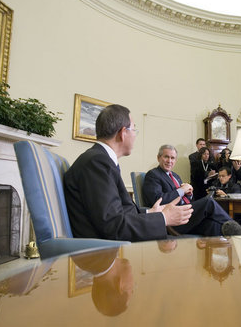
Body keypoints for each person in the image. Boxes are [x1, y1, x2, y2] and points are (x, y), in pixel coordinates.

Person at [64, 104, 193, 242]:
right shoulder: (97, 162)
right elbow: (112, 225)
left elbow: (117, 211)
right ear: (123, 133)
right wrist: (163, 218)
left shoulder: (100, 159)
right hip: (101, 253)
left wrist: (150, 212)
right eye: (134, 129)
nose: (135, 136)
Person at [142, 144, 241, 237]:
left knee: (214, 225)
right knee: (208, 201)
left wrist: (188, 194)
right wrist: (182, 190)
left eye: (172, 158)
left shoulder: (175, 176)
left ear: (175, 160)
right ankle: (239, 233)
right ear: (158, 158)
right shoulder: (153, 175)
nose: (169, 161)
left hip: (186, 215)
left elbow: (186, 198)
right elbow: (157, 200)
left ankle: (232, 249)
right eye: (166, 157)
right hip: (173, 220)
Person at [71, 247, 133, 316]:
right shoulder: (82, 264)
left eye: (131, 289)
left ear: (122, 285)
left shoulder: (109, 248)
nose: (133, 283)